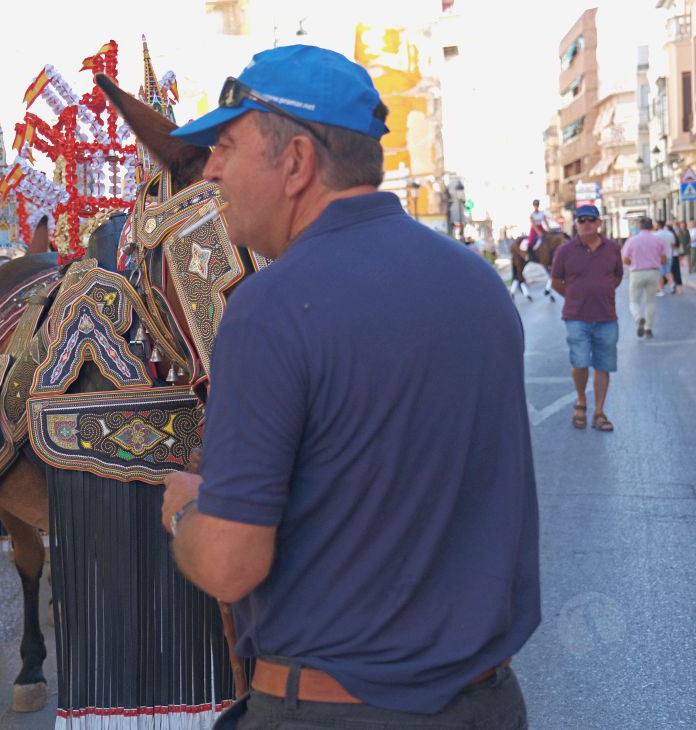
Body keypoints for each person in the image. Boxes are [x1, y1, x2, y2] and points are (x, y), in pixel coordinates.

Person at [158, 45, 539, 728]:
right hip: (487, 706)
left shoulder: (270, 308)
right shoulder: (478, 284)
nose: (210, 169)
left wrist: (187, 513)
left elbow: (229, 565)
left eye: (227, 144)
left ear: (297, 161)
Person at [550, 204, 622, 432]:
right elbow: (556, 282)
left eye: (591, 220)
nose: (586, 224)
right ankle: (581, 400)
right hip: (576, 316)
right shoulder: (565, 250)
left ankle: (599, 412)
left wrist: (604, 293)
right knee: (579, 362)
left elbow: (617, 276)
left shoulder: (612, 248)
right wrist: (573, 297)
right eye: (581, 220)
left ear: (599, 223)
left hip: (606, 316)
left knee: (603, 366)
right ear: (576, 224)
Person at [621, 217, 668, 339]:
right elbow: (664, 259)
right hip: (653, 272)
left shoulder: (632, 240)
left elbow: (625, 259)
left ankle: (638, 318)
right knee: (650, 301)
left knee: (634, 301)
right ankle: (648, 329)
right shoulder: (658, 240)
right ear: (651, 227)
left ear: (639, 227)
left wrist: (635, 262)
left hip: (637, 273)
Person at [655, 220, 676, 295]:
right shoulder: (670, 233)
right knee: (668, 271)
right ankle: (672, 285)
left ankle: (661, 290)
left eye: (656, 225)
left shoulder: (656, 234)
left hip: (660, 256)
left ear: (658, 225)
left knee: (660, 274)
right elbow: (673, 245)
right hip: (669, 255)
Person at [668, 221, 685, 294]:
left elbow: (674, 246)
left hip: (672, 256)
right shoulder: (676, 237)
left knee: (672, 272)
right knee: (676, 272)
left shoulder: (672, 238)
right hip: (675, 256)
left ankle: (676, 287)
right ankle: (677, 287)